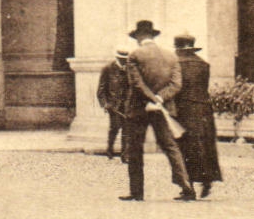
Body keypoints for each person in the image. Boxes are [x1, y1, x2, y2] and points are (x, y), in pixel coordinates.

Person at [121, 20, 194, 202]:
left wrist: (151, 99)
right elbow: (176, 84)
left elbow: (136, 83)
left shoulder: (134, 55)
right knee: (171, 147)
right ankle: (187, 187)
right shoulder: (171, 56)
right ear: (153, 36)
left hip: (138, 108)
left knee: (135, 149)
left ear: (139, 37)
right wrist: (160, 99)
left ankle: (137, 192)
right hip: (164, 108)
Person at [172, 33, 223, 198]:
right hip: (204, 109)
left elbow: (175, 88)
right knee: (205, 145)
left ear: (178, 48)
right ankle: (207, 179)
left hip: (184, 109)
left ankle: (188, 188)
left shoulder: (176, 64)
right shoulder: (203, 64)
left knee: (185, 148)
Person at [96, 46, 132, 161]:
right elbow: (101, 90)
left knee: (127, 129)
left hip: (126, 104)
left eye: (125, 59)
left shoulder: (130, 69)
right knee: (115, 128)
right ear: (117, 58)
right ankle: (110, 149)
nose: (124, 61)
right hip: (114, 105)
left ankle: (125, 155)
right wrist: (105, 104)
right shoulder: (108, 69)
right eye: (122, 59)